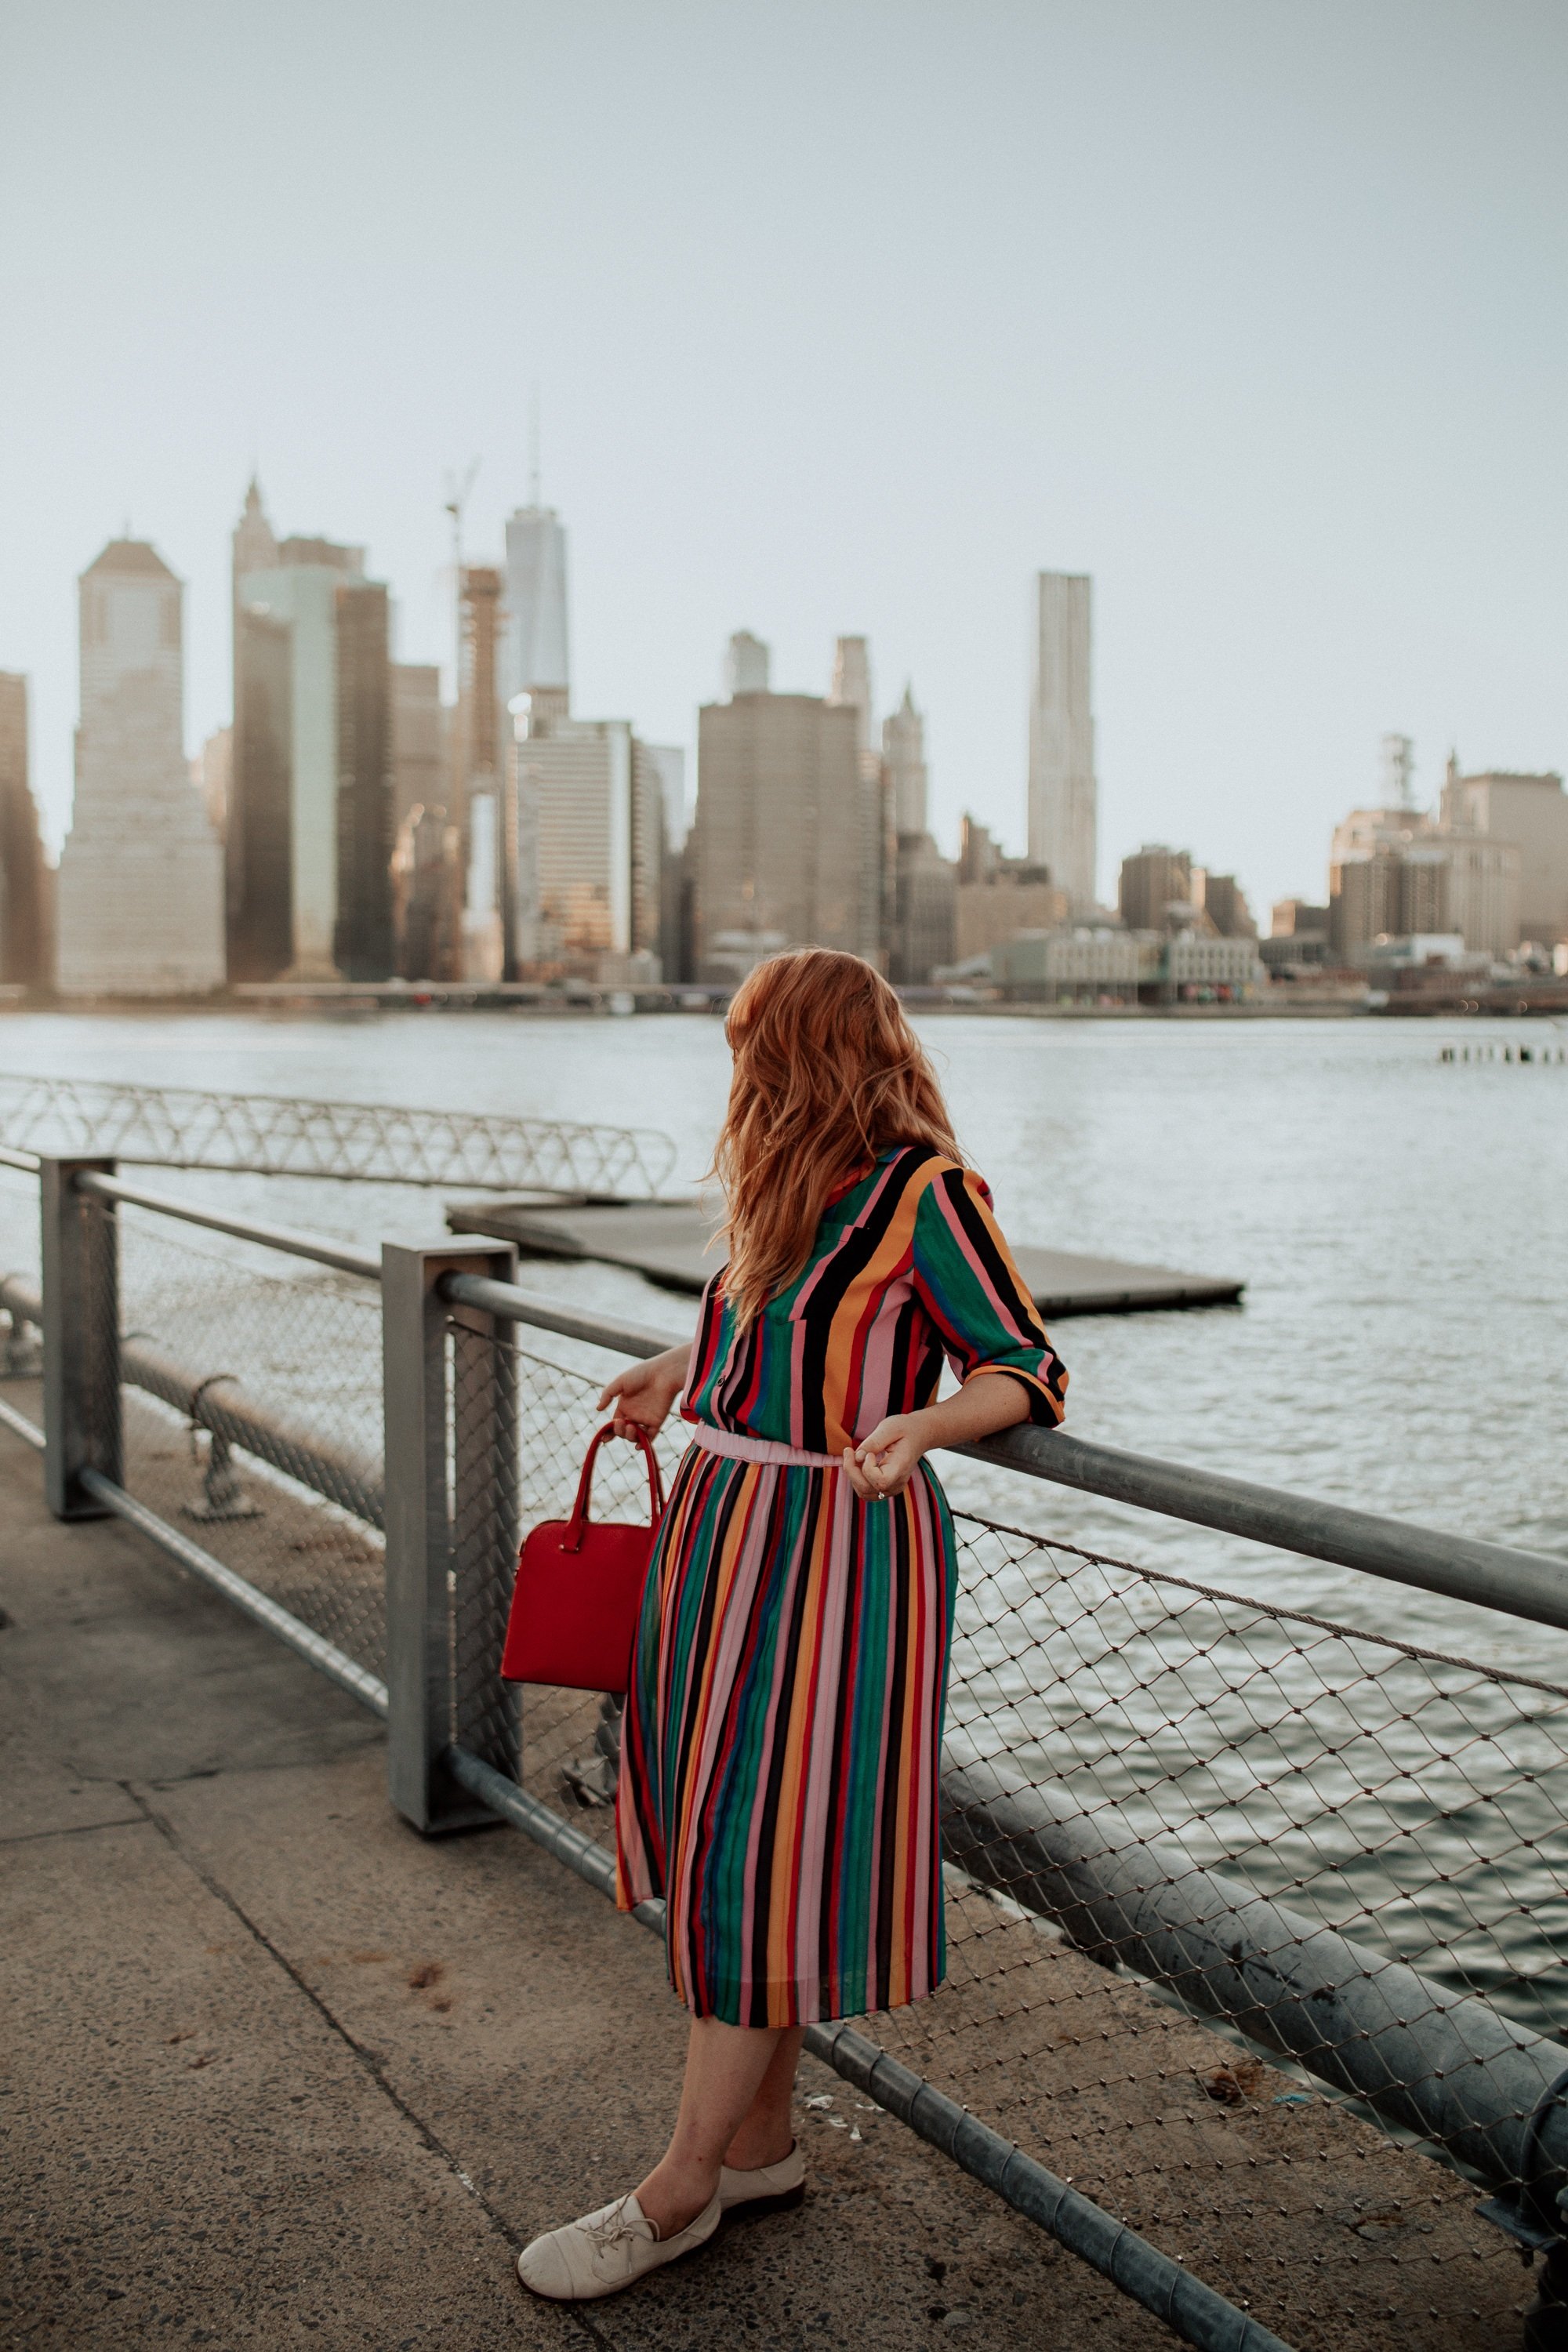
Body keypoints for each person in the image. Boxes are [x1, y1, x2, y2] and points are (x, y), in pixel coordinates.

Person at [517, 948, 1067, 2302]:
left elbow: (1027, 1365)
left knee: (760, 1856)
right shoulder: (787, 1192)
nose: (735, 1062)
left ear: (810, 1051)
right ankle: (760, 2145)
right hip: (723, 1534)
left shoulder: (927, 1193)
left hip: (835, 1551)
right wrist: (675, 1366)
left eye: (753, 1040)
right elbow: (765, 1340)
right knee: (733, 1832)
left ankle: (682, 2187)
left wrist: (926, 1424)